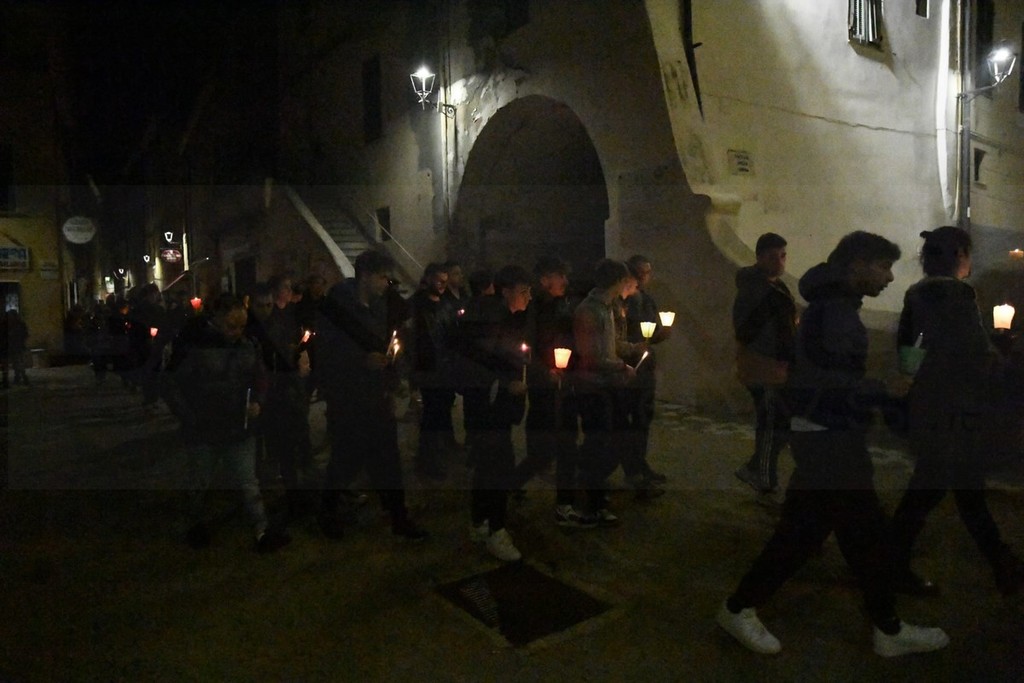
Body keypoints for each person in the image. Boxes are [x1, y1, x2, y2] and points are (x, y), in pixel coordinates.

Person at [717, 231, 949, 658]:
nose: (889, 277)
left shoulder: (833, 306)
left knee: (823, 536)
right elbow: (829, 383)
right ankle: (884, 628)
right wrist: (885, 389)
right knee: (849, 536)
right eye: (884, 267)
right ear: (857, 264)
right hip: (830, 437)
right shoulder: (835, 313)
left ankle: (884, 627)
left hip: (825, 434)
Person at [888, 226, 1024, 597]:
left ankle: (1003, 564)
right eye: (968, 254)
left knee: (956, 491)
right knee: (938, 492)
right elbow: (975, 354)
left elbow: (908, 350)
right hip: (958, 411)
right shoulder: (959, 293)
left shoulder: (916, 294)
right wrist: (1001, 350)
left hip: (930, 405)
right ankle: (890, 566)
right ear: (960, 256)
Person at [163, 294, 290, 553]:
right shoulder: (195, 346)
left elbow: (261, 378)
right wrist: (190, 417)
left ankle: (262, 529)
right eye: (232, 326)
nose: (237, 332)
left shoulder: (248, 346)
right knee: (200, 481)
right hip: (203, 429)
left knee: (248, 481)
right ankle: (194, 524)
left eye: (241, 326)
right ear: (217, 319)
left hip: (238, 427)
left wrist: (258, 402)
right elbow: (172, 385)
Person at [314, 250, 426, 541]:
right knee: (345, 459)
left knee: (388, 458)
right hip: (347, 398)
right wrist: (361, 361)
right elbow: (325, 353)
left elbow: (384, 343)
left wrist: (392, 373)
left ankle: (399, 517)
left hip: (376, 395)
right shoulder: (337, 307)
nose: (386, 284)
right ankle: (327, 512)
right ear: (365, 275)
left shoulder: (379, 305)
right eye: (382, 277)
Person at [454, 264, 531, 561]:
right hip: (489, 407)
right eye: (523, 291)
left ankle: (479, 522)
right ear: (506, 291)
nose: (528, 297)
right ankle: (497, 531)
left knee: (487, 467)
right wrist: (506, 383)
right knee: (497, 468)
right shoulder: (489, 318)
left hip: (492, 405)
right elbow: (473, 362)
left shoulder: (500, 316)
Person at [509, 256, 593, 527]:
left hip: (564, 387)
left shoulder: (563, 305)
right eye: (561, 276)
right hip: (544, 390)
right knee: (542, 453)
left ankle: (565, 504)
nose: (566, 281)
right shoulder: (533, 310)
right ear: (545, 279)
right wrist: (544, 372)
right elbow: (526, 350)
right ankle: (509, 486)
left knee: (567, 446)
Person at [731, 233, 797, 500]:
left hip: (777, 367)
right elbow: (748, 331)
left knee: (779, 421)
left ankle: (754, 468)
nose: (780, 262)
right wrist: (783, 349)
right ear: (759, 258)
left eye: (783, 256)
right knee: (772, 421)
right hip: (762, 368)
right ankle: (763, 476)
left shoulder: (777, 288)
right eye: (773, 257)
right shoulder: (755, 291)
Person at [573, 259, 638, 526]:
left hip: (608, 385)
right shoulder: (590, 310)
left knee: (614, 441)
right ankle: (591, 504)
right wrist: (622, 366)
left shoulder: (608, 307)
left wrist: (633, 349)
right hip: (593, 388)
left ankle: (592, 490)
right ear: (619, 281)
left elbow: (610, 345)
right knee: (598, 445)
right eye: (626, 281)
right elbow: (590, 357)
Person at [246, 280, 313, 519]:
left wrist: (298, 364)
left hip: (281, 396)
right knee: (257, 449)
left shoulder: (280, 324)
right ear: (250, 304)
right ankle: (260, 496)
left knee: (285, 448)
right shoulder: (247, 330)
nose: (265, 310)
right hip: (257, 397)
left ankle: (292, 495)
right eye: (260, 306)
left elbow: (289, 354)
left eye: (268, 305)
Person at [622, 254, 671, 496]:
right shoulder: (624, 301)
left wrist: (663, 333)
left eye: (647, 272)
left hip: (646, 366)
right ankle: (632, 472)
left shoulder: (648, 300)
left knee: (643, 418)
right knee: (631, 421)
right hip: (629, 367)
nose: (644, 277)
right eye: (639, 272)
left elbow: (652, 335)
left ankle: (640, 465)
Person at [409, 263, 455, 480]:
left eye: (445, 281)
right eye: (439, 281)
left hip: (444, 368)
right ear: (427, 279)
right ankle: (428, 460)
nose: (442, 285)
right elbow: (411, 340)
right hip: (427, 368)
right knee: (431, 415)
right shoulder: (416, 305)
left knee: (441, 413)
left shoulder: (445, 305)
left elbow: (450, 334)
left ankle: (434, 455)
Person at [1, 309, 30, 387]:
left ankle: (18, 377)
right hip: (11, 346)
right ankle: (16, 377)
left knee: (16, 362)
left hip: (13, 346)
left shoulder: (16, 324)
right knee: (15, 362)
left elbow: (24, 334)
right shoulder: (15, 324)